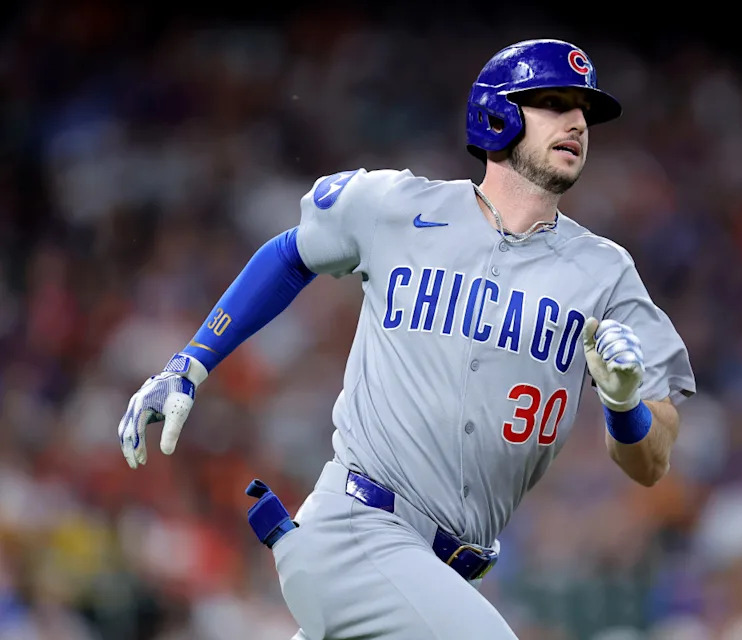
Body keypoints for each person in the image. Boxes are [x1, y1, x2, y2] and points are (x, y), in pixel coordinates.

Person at [116, 38, 697, 639]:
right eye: (553, 102)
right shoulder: (396, 206)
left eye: (585, 111)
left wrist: (623, 406)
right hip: (357, 530)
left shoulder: (606, 274)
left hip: (442, 574)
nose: (576, 122)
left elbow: (652, 462)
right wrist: (189, 363)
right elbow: (291, 253)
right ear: (496, 113)